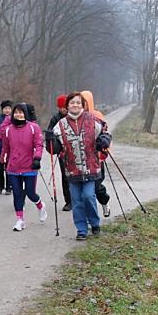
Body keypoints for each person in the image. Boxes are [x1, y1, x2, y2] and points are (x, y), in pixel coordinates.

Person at [46, 92, 112, 240]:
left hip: (91, 167)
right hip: (72, 169)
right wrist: (50, 141)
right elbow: (54, 149)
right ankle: (81, 229)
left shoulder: (92, 119)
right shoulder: (60, 125)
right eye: (72, 103)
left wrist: (104, 140)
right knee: (76, 201)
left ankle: (94, 223)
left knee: (89, 196)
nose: (75, 105)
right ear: (67, 106)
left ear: (82, 105)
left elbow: (105, 131)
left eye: (78, 102)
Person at [0, 103, 47, 231]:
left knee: (31, 193)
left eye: (21, 112)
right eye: (16, 112)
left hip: (29, 166)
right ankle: (20, 220)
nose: (18, 114)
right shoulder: (8, 130)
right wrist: (2, 158)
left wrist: (37, 158)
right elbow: (5, 147)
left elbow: (39, 144)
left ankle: (40, 205)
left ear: (25, 114)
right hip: (13, 167)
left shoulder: (34, 128)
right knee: (17, 194)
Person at [81, 90, 111, 218]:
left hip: (97, 158)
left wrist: (103, 145)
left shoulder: (97, 115)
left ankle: (104, 202)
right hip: (81, 160)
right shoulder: (75, 118)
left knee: (97, 187)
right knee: (85, 191)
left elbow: (105, 133)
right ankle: (89, 215)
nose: (82, 105)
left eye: (84, 102)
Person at [47, 94, 72, 211]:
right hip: (62, 152)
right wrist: (51, 138)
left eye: (64, 107)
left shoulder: (73, 116)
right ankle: (69, 201)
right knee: (65, 176)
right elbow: (49, 131)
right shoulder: (55, 118)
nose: (63, 109)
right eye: (60, 107)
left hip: (75, 150)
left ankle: (78, 200)